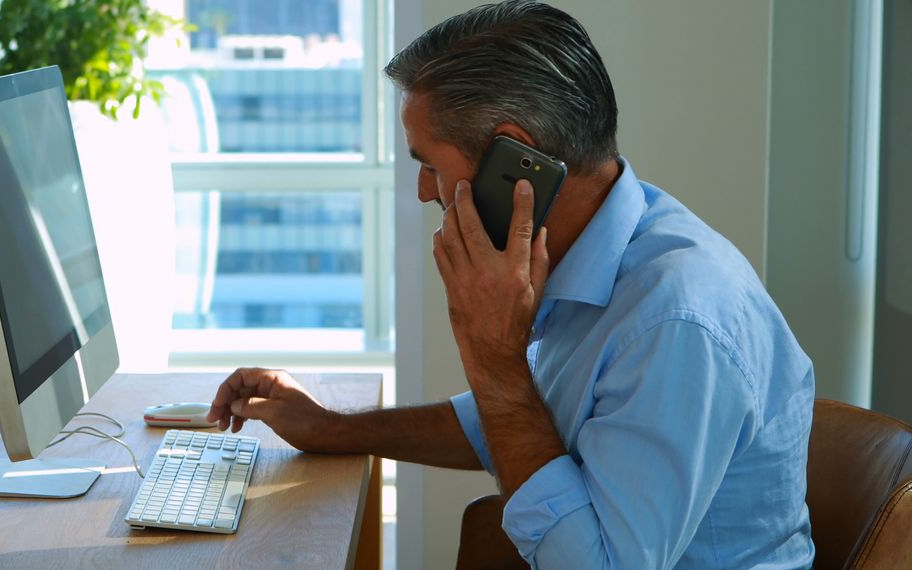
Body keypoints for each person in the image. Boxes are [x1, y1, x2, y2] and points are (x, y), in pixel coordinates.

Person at [206, 1, 815, 568]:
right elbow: (520, 422)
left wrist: (495, 362)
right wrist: (333, 429)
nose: (424, 192)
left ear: (514, 163)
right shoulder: (605, 243)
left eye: (429, 164)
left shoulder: (674, 321)